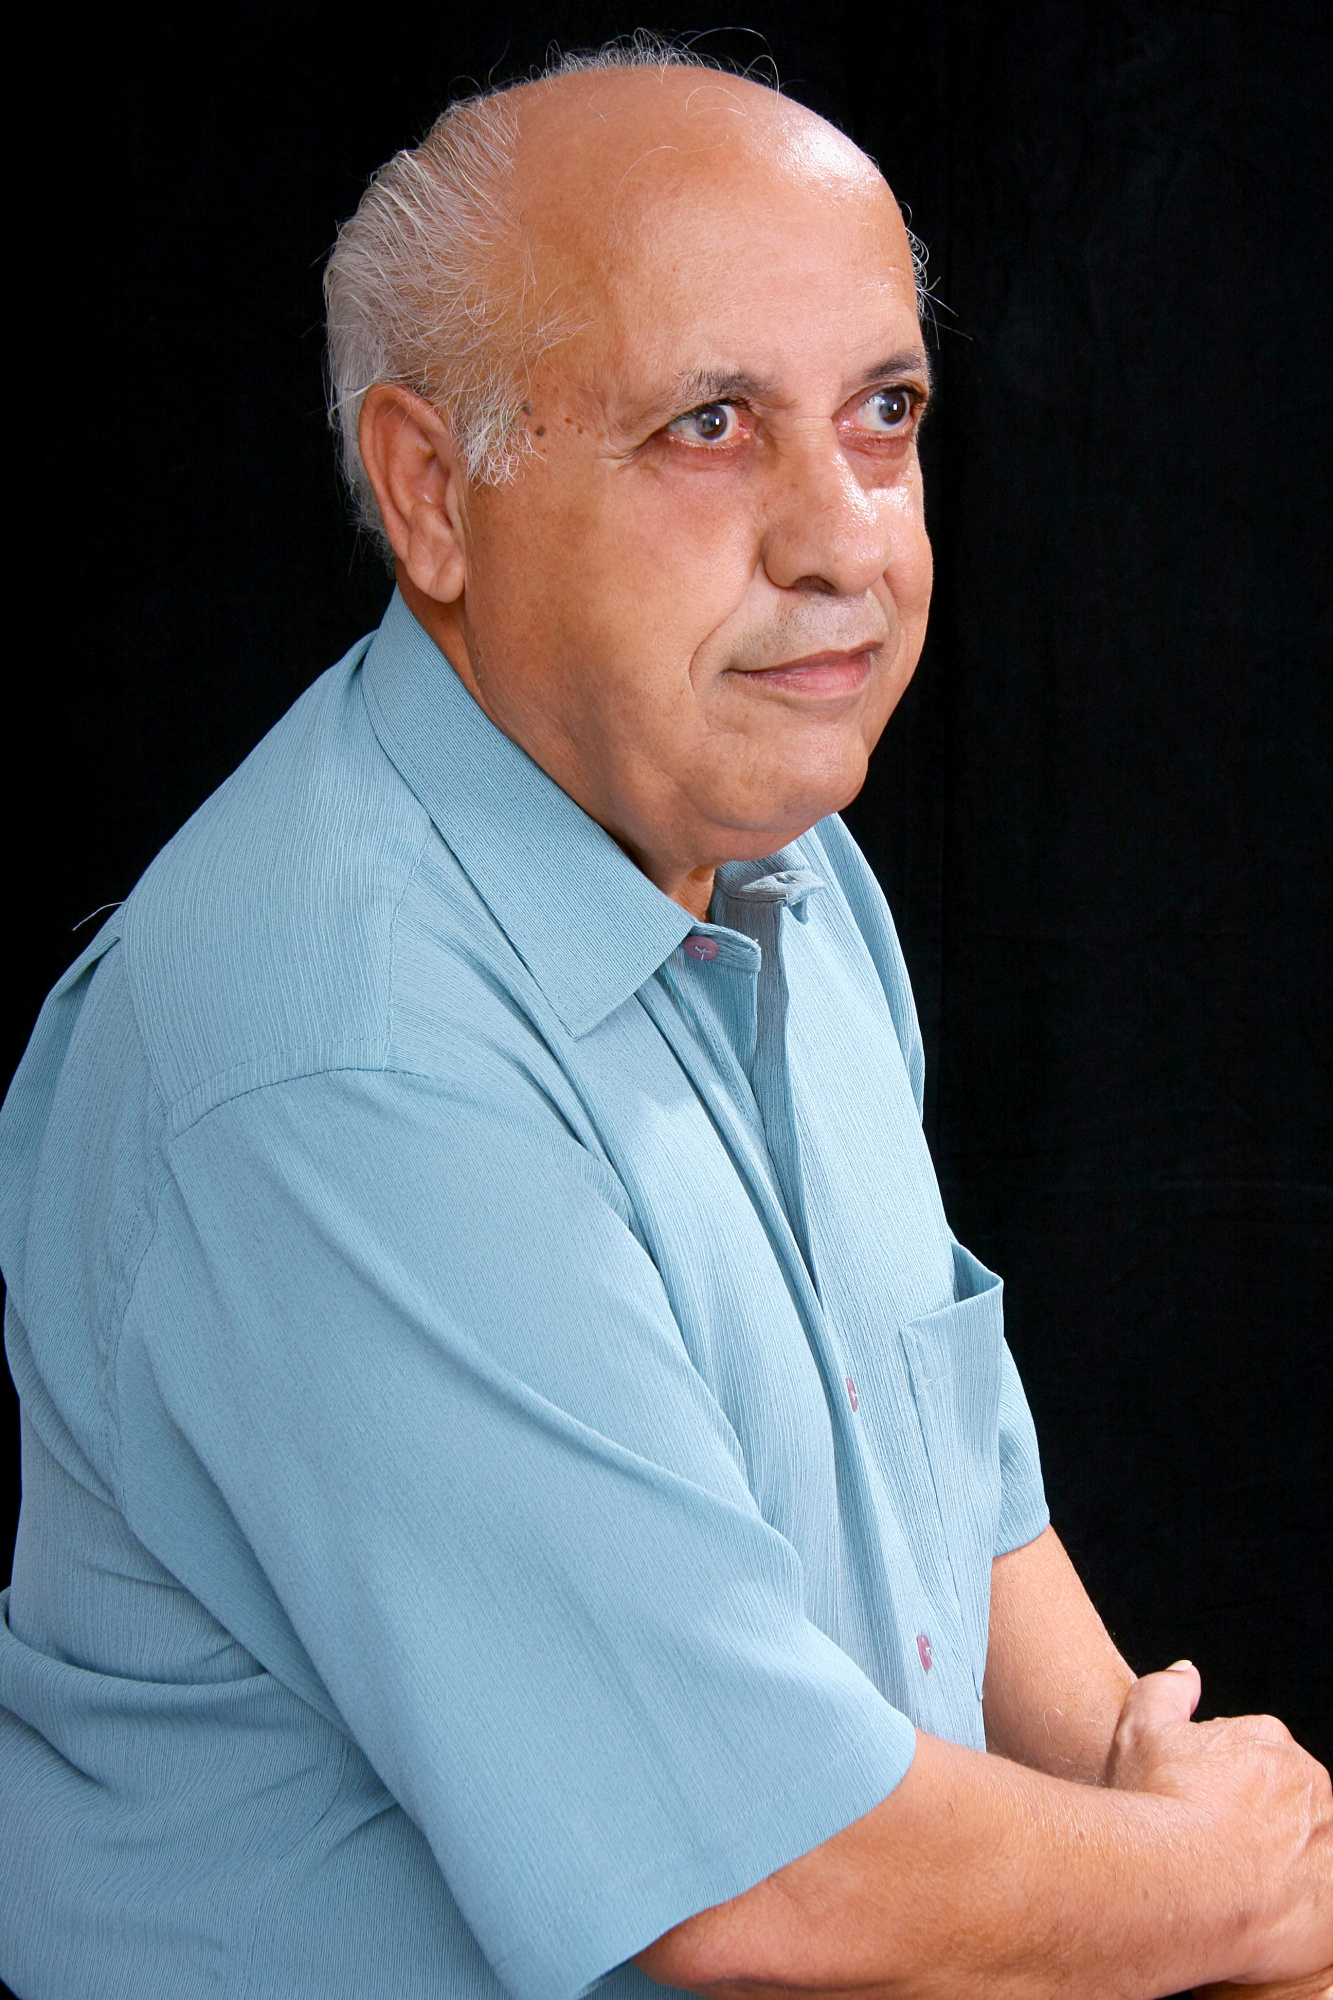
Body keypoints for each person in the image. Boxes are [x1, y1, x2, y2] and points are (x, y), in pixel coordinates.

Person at [0, 43, 1328, 2000]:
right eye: (709, 425)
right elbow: (763, 1885)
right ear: (431, 493)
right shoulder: (336, 1051)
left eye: (881, 414)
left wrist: (1175, 1832)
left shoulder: (779, 859)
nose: (841, 538)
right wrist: (1228, 1889)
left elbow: (952, 1495)